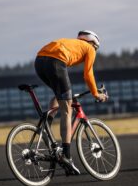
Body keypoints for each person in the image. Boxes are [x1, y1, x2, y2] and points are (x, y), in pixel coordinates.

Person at [34, 30, 108, 175]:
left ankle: (46, 126)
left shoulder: (73, 44)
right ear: (93, 43)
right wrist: (96, 93)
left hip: (39, 61)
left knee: (60, 97)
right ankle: (66, 155)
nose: (95, 51)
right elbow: (88, 74)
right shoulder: (89, 48)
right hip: (56, 62)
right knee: (67, 110)